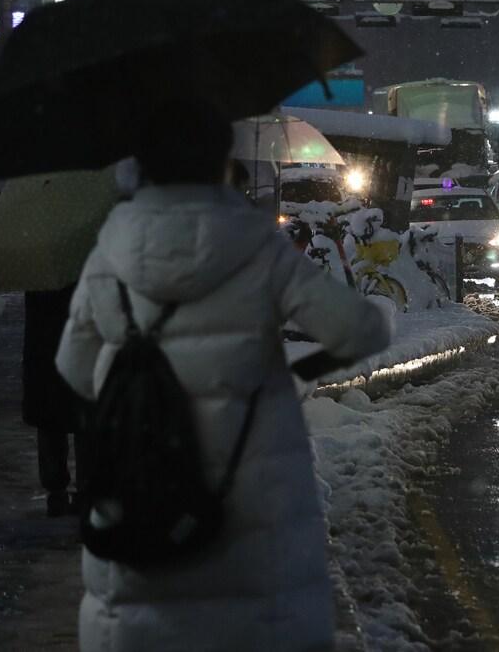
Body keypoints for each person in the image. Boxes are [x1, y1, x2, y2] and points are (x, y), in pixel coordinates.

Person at [55, 98, 391, 652]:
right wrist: (295, 369)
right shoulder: (258, 246)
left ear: (140, 167)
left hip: (143, 509)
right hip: (253, 525)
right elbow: (360, 331)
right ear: (222, 163)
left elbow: (73, 367)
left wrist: (143, 391)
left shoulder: (109, 253)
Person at [23, 284, 92, 517]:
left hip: (44, 342)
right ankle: (86, 489)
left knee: (49, 414)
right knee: (85, 414)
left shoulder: (37, 264)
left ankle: (55, 490)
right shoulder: (86, 257)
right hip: (82, 339)